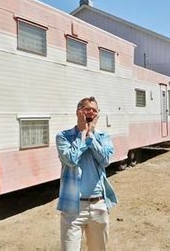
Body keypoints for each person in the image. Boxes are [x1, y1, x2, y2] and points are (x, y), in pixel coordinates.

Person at [56, 96, 118, 251]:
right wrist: (82, 134)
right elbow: (71, 159)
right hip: (72, 207)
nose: (91, 112)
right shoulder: (63, 136)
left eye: (94, 110)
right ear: (78, 112)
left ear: (97, 114)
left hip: (99, 205)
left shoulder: (103, 137)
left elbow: (105, 160)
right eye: (87, 109)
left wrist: (90, 137)